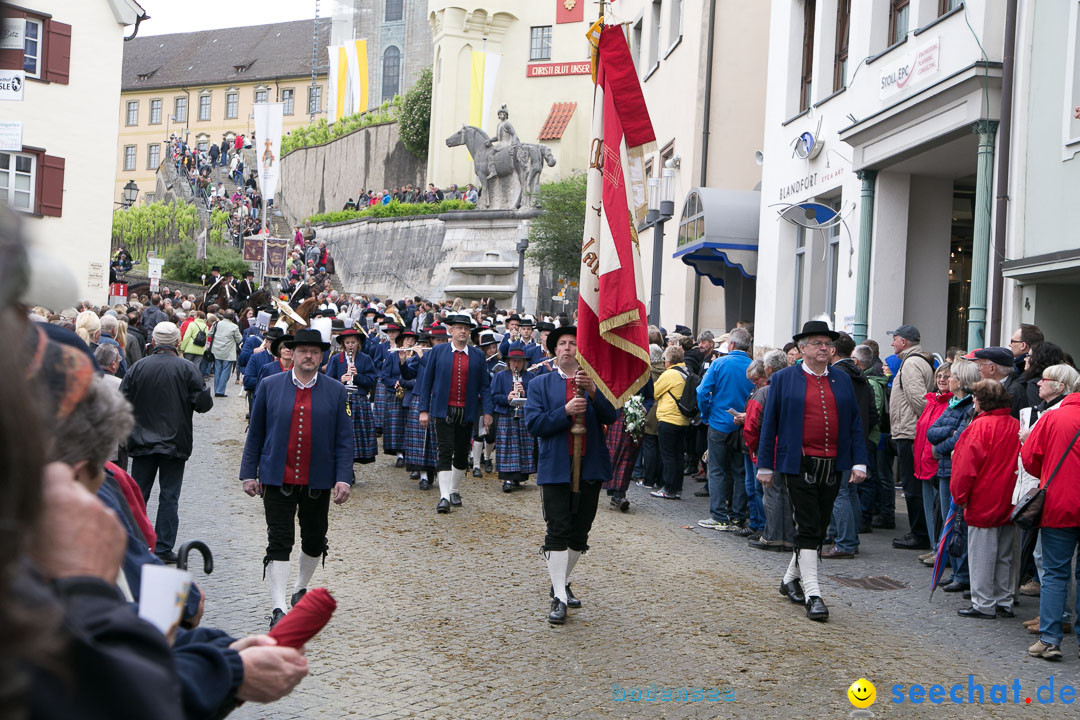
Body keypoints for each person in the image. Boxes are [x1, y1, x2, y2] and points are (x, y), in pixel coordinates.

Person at [240, 329, 354, 628]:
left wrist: (344, 477)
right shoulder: (269, 385)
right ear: (291, 353)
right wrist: (248, 473)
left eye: (314, 352)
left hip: (318, 479)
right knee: (279, 539)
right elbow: (256, 433)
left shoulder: (335, 390)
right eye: (303, 350)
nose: (308, 356)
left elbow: (344, 439)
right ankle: (278, 607)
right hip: (277, 476)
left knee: (315, 538)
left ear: (321, 356)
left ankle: (300, 586)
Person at [756, 320, 868, 622]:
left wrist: (859, 461)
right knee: (807, 527)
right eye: (817, 343)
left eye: (827, 343)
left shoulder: (842, 380)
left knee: (817, 528)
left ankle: (788, 579)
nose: (824, 348)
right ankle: (814, 593)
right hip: (798, 463)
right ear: (801, 349)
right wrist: (764, 465)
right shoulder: (782, 379)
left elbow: (855, 423)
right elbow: (770, 425)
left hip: (834, 464)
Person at [524, 325, 617, 625]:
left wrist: (592, 392)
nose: (567, 348)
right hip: (555, 466)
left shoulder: (595, 382)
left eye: (573, 343)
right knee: (558, 529)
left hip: (589, 466)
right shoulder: (540, 384)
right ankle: (559, 598)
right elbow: (534, 424)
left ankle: (560, 581)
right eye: (562, 344)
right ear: (554, 351)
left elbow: (611, 416)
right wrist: (563, 411)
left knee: (580, 532)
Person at [121, 321, 213, 563]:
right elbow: (204, 404)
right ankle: (162, 547)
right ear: (176, 343)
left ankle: (136, 541)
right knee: (169, 497)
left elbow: (122, 401)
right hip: (174, 441)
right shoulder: (186, 368)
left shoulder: (139, 367)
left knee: (139, 494)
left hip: (142, 441)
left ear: (154, 341)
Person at [950, 380, 1021, 620]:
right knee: (1005, 554)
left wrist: (960, 496)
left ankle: (983, 603)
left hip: (983, 497)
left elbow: (965, 467)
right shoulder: (1015, 425)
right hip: (1011, 497)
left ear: (982, 401)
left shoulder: (979, 427)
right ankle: (1004, 600)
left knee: (982, 554)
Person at [417, 312, 493, 513]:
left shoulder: (477, 355)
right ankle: (443, 497)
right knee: (444, 450)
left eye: (466, 328)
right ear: (450, 330)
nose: (463, 331)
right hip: (443, 410)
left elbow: (485, 386)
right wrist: (423, 410)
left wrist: (487, 411)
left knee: (461, 453)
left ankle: (454, 489)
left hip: (466, 411)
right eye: (459, 328)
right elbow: (427, 383)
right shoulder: (438, 351)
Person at [926, 359, 980, 593]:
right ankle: (955, 569)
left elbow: (961, 438)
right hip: (946, 467)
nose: (949, 379)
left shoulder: (967, 407)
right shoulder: (953, 404)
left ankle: (962, 573)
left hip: (955, 467)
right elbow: (932, 431)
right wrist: (947, 435)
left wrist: (940, 447)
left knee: (958, 521)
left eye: (954, 376)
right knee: (950, 521)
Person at [696, 327, 754, 531]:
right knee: (739, 471)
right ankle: (737, 516)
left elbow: (702, 391)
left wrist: (705, 414)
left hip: (719, 423)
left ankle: (719, 516)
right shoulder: (753, 365)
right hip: (744, 425)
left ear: (731, 345)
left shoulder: (720, 363)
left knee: (717, 470)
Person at [886, 324, 935, 551]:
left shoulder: (912, 363)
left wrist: (924, 424)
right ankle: (921, 531)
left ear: (903, 342)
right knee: (912, 483)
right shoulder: (915, 360)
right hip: (911, 429)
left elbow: (918, 398)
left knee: (911, 484)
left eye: (894, 339)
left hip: (910, 431)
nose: (892, 344)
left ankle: (919, 533)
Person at [743, 350, 791, 551]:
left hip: (770, 448)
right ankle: (788, 536)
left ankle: (772, 535)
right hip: (790, 448)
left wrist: (754, 449)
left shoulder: (763, 393)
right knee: (785, 494)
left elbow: (751, 426)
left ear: (768, 369)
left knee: (771, 493)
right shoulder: (794, 388)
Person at [907, 363, 953, 566]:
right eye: (939, 376)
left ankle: (941, 550)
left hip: (936, 464)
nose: (942, 379)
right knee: (929, 509)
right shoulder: (931, 401)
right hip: (923, 463)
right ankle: (935, 546)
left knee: (939, 510)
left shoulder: (951, 403)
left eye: (947, 376)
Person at [325, 328, 378, 465]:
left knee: (356, 435)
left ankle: (353, 463)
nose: (350, 345)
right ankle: (345, 465)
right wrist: (341, 380)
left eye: (353, 342)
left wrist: (357, 376)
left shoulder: (365, 359)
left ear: (358, 343)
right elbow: (327, 381)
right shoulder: (336, 359)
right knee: (342, 434)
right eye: (347, 342)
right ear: (343, 344)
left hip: (359, 400)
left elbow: (372, 382)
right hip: (341, 400)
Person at [491, 342, 536, 492]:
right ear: (508, 361)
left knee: (522, 445)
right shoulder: (500, 376)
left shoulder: (530, 377)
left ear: (524, 363)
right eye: (513, 361)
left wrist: (525, 393)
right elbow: (494, 396)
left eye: (519, 361)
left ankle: (518, 476)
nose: (516, 364)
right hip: (506, 413)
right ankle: (507, 479)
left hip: (523, 414)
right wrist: (507, 397)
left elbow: (536, 398)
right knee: (506, 446)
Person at [650, 345, 690, 500]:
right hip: (683, 419)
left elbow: (655, 392)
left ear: (669, 360)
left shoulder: (670, 374)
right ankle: (676, 488)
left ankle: (667, 487)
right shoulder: (686, 371)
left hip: (669, 418)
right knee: (679, 455)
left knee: (668, 456)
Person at [208, 308, 243, 397]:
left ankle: (217, 389)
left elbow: (210, 334)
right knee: (225, 372)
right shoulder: (234, 327)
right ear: (232, 317)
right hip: (228, 352)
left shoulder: (216, 324)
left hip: (216, 350)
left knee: (218, 371)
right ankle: (220, 391)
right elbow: (239, 339)